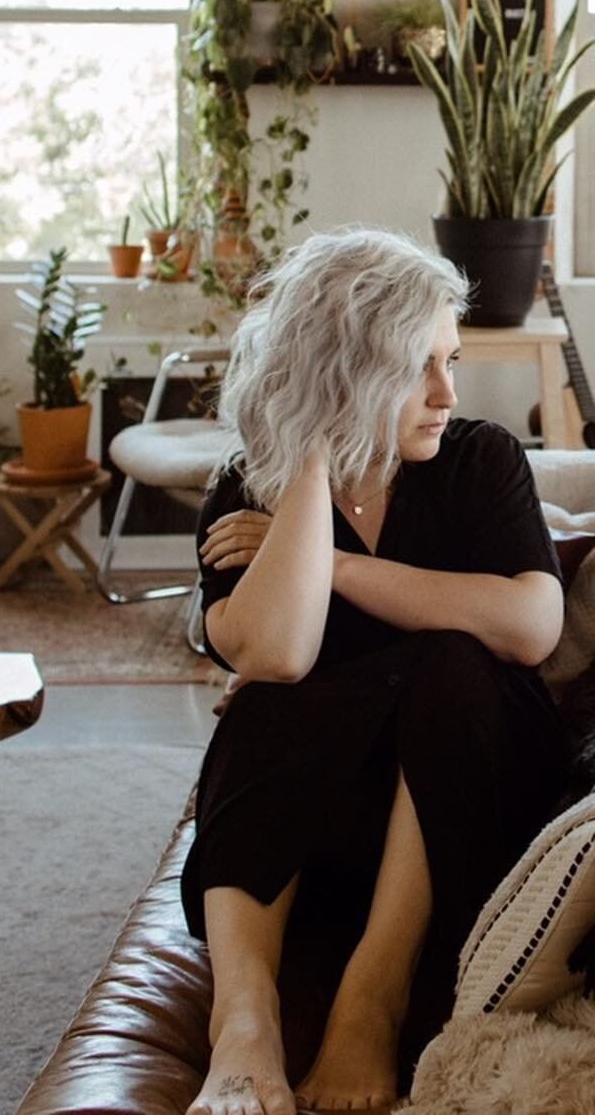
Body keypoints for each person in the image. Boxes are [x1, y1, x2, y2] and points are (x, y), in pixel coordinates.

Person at [182, 229, 566, 1115]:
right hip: (318, 826)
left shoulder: (479, 459)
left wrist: (342, 571)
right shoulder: (252, 486)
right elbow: (275, 652)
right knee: (265, 707)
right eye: (417, 367)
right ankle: (243, 1027)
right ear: (346, 372)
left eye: (451, 360)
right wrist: (313, 453)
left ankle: (371, 1002)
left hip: (466, 805)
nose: (447, 393)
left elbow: (533, 625)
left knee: (451, 666)